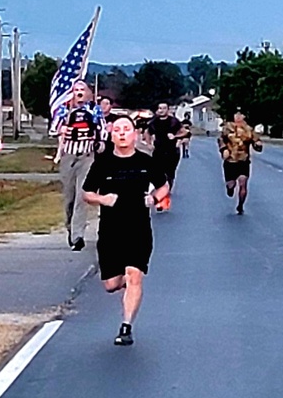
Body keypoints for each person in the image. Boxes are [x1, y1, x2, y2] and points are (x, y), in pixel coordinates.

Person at [83, 114, 170, 346]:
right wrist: (104, 199)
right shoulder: (102, 164)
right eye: (117, 130)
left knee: (134, 275)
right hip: (111, 230)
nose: (122, 133)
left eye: (126, 129)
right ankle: (123, 281)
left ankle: (126, 327)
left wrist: (154, 198)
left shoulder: (145, 161)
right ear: (112, 135)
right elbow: (87, 194)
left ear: (134, 135)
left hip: (139, 228)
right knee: (111, 285)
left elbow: (163, 186)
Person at [53, 80, 104, 251]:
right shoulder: (64, 110)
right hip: (69, 156)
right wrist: (63, 129)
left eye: (83, 89)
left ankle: (78, 236)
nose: (80, 93)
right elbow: (54, 129)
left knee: (82, 195)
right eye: (76, 90)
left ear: (88, 92)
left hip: (87, 156)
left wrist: (99, 140)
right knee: (69, 197)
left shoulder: (94, 110)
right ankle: (70, 227)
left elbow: (102, 131)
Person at [218, 110, 263, 215]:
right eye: (236, 115)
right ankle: (230, 188)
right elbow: (221, 140)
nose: (238, 117)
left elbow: (256, 141)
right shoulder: (227, 127)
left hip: (243, 160)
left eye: (240, 115)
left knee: (243, 183)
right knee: (231, 184)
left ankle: (240, 205)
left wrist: (258, 144)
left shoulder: (249, 130)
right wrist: (223, 149)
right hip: (230, 160)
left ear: (244, 116)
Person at [146, 102, 188, 211]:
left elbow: (185, 132)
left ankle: (165, 195)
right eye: (160, 108)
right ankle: (160, 199)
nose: (161, 110)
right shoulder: (154, 122)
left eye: (164, 108)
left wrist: (175, 136)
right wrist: (149, 144)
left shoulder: (174, 121)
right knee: (158, 176)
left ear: (168, 110)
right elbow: (147, 133)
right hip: (158, 151)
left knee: (169, 175)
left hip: (172, 152)